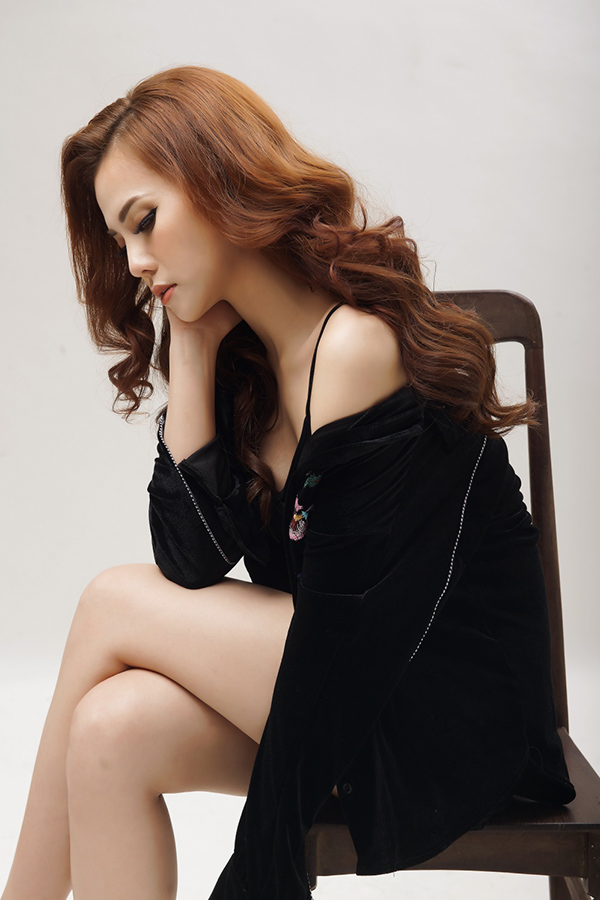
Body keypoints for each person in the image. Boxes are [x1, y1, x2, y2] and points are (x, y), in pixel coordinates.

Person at [2, 66, 575, 900]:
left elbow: (344, 642)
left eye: (145, 221)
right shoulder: (251, 368)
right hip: (342, 698)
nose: (136, 262)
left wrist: (257, 870)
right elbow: (191, 562)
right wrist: (192, 346)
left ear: (218, 180)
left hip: (440, 716)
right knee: (108, 730)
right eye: (121, 241)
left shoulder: (355, 349)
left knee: (108, 602)